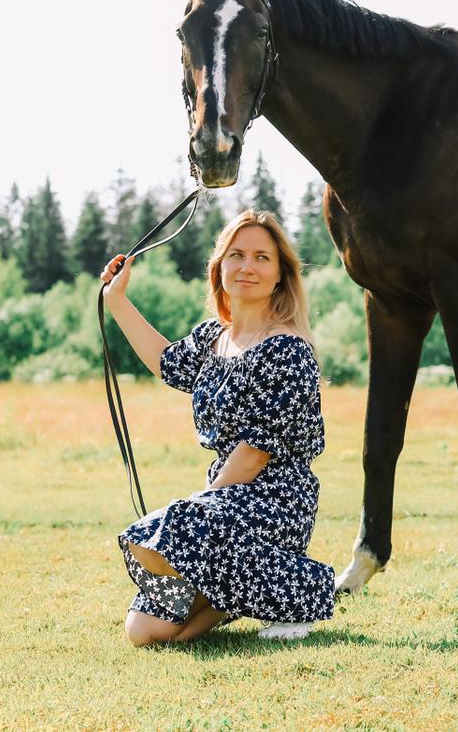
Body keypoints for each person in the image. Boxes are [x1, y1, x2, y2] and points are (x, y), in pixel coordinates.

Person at [101, 208, 335, 647]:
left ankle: (299, 587)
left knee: (153, 541)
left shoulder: (288, 351)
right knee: (143, 631)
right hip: (225, 497)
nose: (247, 266)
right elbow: (167, 362)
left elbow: (254, 453)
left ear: (281, 274)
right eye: (237, 254)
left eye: (262, 258)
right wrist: (117, 301)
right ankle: (232, 597)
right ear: (220, 267)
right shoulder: (213, 338)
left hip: (275, 498)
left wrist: (196, 513)